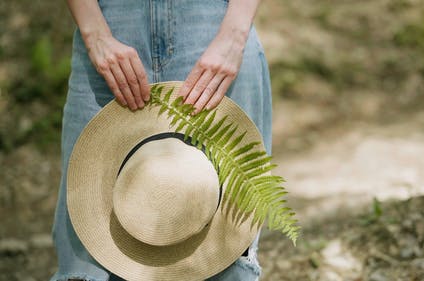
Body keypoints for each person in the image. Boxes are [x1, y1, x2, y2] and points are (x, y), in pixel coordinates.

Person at [50, 0, 273, 280]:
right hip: (107, 26)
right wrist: (94, 32)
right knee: (87, 255)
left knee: (225, 252)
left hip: (215, 25)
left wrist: (234, 34)